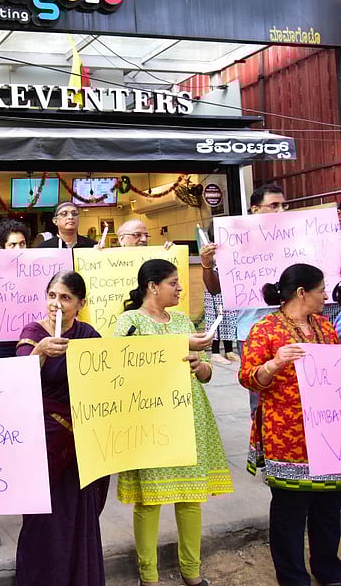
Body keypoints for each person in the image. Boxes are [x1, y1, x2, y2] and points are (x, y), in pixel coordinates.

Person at [113, 259, 233, 586]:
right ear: (153, 286)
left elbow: (206, 371)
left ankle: (191, 573)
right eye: (173, 283)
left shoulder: (181, 319)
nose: (180, 289)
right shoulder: (129, 322)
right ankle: (148, 577)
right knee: (150, 500)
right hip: (149, 419)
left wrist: (199, 364)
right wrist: (182, 346)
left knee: (190, 498)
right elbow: (123, 364)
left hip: (189, 417)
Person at [238, 263, 341, 586]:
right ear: (301, 293)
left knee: (328, 508)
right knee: (290, 512)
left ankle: (327, 567)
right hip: (287, 435)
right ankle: (292, 576)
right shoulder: (266, 329)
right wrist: (275, 362)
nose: (326, 295)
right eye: (321, 289)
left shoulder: (325, 327)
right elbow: (248, 378)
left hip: (327, 433)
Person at [14, 271, 107, 586]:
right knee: (44, 521)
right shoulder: (33, 332)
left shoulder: (88, 336)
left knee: (76, 517)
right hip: (44, 446)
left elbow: (107, 382)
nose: (57, 303)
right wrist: (40, 352)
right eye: (52, 295)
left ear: (80, 303)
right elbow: (16, 382)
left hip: (81, 445)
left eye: (65, 298)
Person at [201, 184, 289, 407]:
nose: (280, 211)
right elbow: (215, 288)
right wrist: (206, 264)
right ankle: (260, 439)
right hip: (252, 329)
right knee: (258, 393)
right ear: (255, 209)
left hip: (291, 326)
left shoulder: (296, 237)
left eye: (284, 205)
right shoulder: (236, 240)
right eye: (274, 205)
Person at [0, 219, 30, 360]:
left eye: (22, 244)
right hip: (0, 340)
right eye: (12, 245)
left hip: (30, 339)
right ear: (1, 247)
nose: (18, 249)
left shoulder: (38, 269)